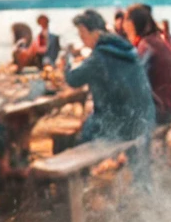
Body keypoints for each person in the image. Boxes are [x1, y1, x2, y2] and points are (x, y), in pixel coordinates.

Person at [66, 9, 156, 147]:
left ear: (91, 32)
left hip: (125, 127)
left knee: (82, 131)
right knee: (92, 119)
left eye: (82, 34)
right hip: (146, 119)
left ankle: (78, 158)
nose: (81, 39)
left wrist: (66, 64)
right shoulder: (124, 47)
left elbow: (73, 79)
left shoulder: (99, 57)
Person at [123, 3, 171, 124]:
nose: (123, 26)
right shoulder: (156, 41)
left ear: (133, 23)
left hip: (165, 110)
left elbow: (134, 82)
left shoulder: (146, 46)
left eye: (125, 20)